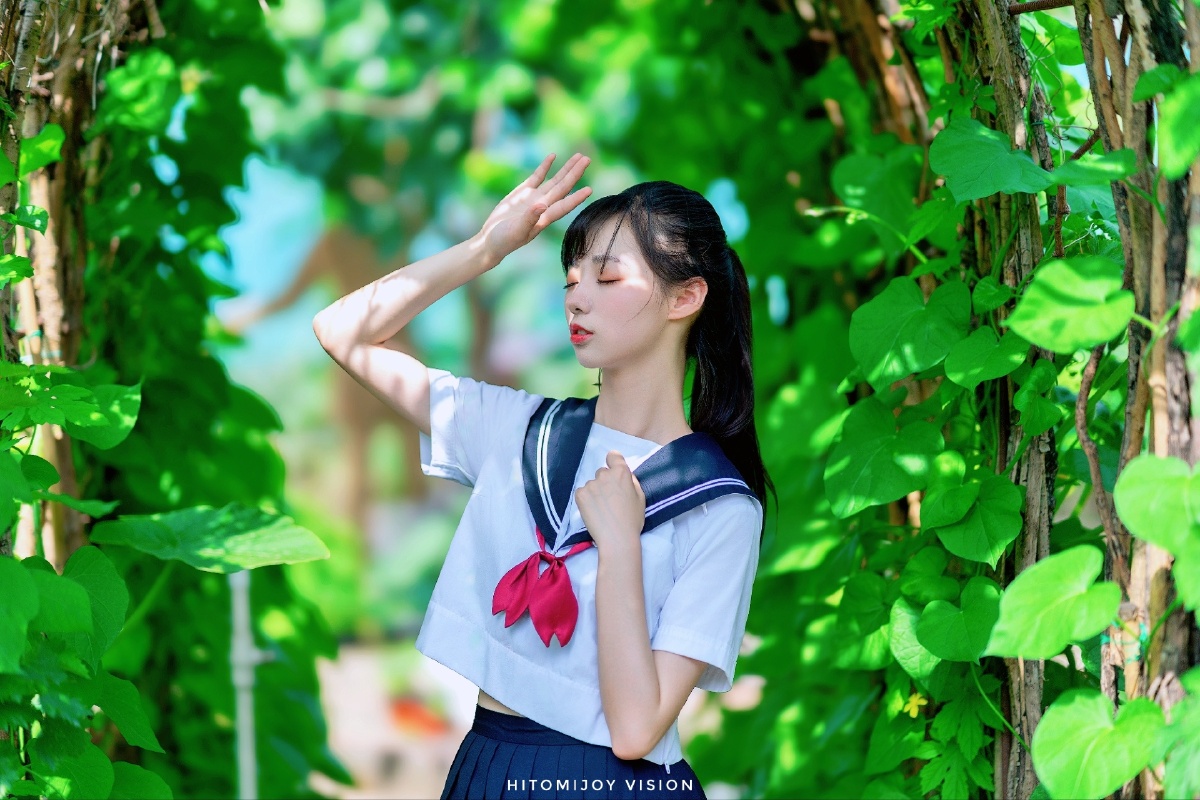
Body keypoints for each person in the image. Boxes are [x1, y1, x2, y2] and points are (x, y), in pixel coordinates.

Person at [312, 153, 775, 799]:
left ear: (686, 297)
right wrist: (484, 249)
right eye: (571, 279)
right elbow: (342, 332)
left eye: (607, 277)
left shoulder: (719, 505)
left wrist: (620, 549)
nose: (577, 297)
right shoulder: (520, 431)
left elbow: (636, 731)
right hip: (489, 765)